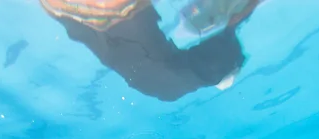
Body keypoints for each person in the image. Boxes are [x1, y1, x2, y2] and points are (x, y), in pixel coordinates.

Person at [39, 0, 261, 100]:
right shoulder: (164, 84)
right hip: (79, 16)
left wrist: (233, 25)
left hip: (106, 15)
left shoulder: (165, 82)